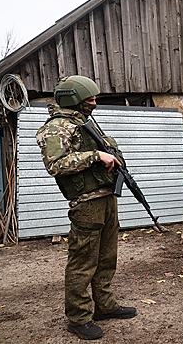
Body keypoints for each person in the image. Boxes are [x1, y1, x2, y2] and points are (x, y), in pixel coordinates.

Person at [36, 75, 136, 340]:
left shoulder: (84, 123)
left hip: (106, 198)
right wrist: (95, 156)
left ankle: (105, 305)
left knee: (107, 257)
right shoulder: (57, 127)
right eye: (89, 98)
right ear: (74, 99)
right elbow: (55, 164)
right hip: (86, 203)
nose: (94, 102)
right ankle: (79, 318)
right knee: (83, 262)